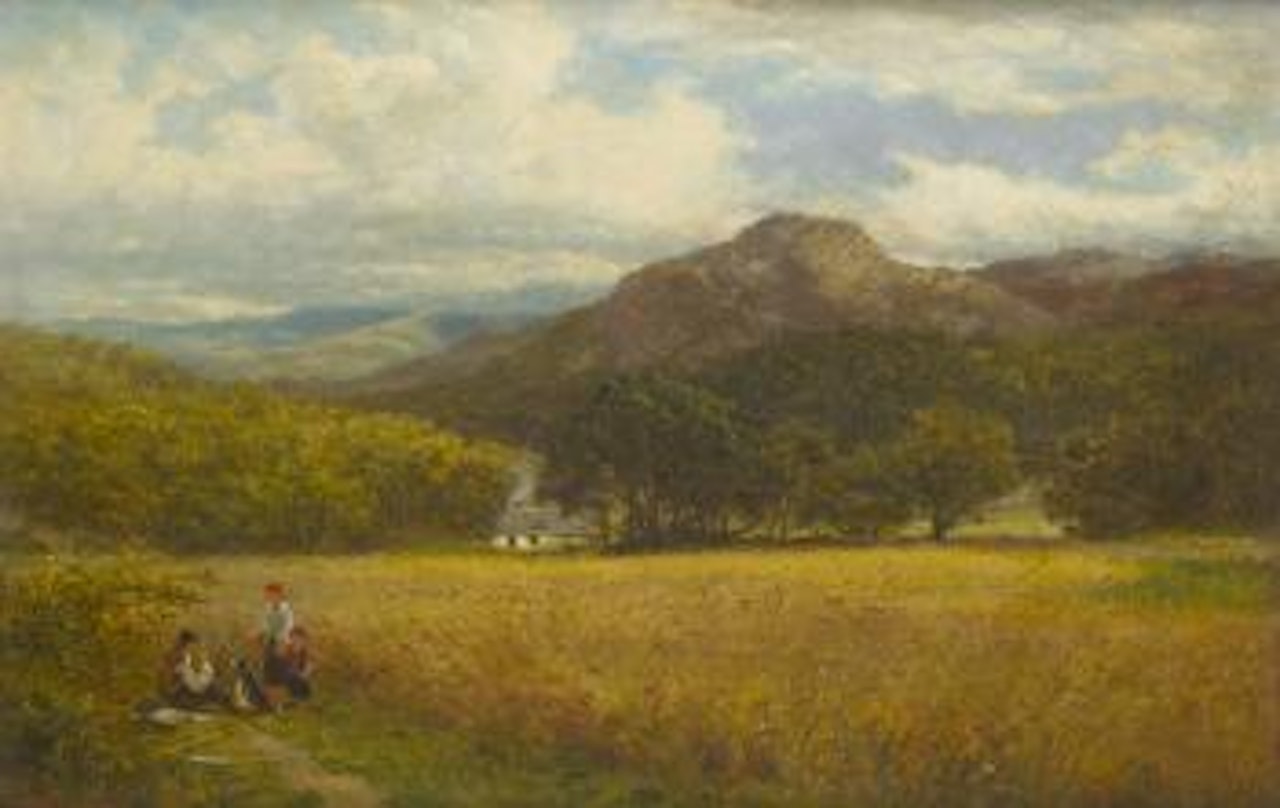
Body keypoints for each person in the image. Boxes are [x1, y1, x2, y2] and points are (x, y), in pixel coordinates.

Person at [162, 629, 221, 709]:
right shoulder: (179, 666)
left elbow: (213, 689)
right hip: (183, 703)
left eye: (198, 648)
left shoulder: (208, 669)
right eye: (188, 648)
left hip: (203, 703)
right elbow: (170, 690)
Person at [258, 582, 296, 706]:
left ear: (280, 595)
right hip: (270, 642)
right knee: (268, 671)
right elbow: (265, 625)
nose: (269, 597)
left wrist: (282, 644)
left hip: (282, 643)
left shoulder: (286, 610)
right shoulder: (268, 607)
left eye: (272, 595)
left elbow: (288, 628)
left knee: (280, 672)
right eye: (268, 595)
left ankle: (280, 703)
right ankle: (270, 702)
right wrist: (259, 634)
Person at [280, 626, 314, 701]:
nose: (297, 641)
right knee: (293, 677)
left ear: (304, 640)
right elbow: (284, 664)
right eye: (294, 638)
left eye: (299, 639)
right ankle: (294, 696)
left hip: (299, 676)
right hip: (287, 676)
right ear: (291, 639)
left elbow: (309, 664)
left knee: (303, 686)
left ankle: (300, 696)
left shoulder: (305, 652)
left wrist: (305, 672)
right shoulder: (286, 650)